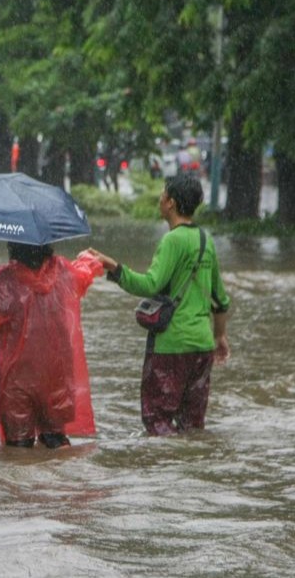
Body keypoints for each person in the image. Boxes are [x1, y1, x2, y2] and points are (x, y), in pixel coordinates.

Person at [88, 173, 232, 436]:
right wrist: (220, 335)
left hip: (171, 346)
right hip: (202, 346)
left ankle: (165, 471)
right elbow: (220, 300)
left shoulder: (172, 240)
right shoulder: (205, 240)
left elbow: (150, 285)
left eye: (164, 194)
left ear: (172, 203)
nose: (160, 198)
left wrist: (114, 268)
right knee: (192, 425)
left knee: (157, 420)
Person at [0, 242, 102, 449]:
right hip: (56, 376)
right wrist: (88, 258)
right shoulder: (63, 270)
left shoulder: (5, 279)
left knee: (19, 448)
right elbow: (83, 276)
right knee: (56, 442)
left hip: (17, 379)